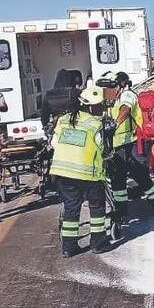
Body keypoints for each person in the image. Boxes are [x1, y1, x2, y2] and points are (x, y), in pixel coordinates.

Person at [49, 85, 114, 256]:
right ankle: (98, 243)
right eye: (101, 105)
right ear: (92, 106)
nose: (103, 108)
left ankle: (68, 248)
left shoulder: (63, 119)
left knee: (71, 207)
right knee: (97, 207)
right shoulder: (95, 123)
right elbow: (103, 148)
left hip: (62, 172)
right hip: (87, 174)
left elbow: (54, 143)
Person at [97, 71, 154, 218]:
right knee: (117, 181)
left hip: (132, 144)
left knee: (141, 177)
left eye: (109, 87)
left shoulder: (127, 95)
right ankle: (121, 211)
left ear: (119, 85)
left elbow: (125, 109)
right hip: (114, 146)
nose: (106, 90)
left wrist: (115, 124)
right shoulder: (108, 98)